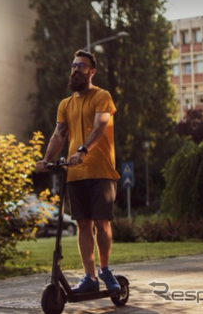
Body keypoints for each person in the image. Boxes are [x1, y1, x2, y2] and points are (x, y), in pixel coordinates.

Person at [35, 50, 121, 293]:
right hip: (75, 174)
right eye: (74, 65)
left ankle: (105, 269)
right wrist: (46, 159)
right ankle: (90, 276)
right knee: (83, 224)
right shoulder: (65, 103)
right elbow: (59, 134)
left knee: (102, 223)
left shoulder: (102, 96)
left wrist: (83, 150)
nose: (76, 69)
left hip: (101, 170)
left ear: (91, 72)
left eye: (82, 66)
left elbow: (100, 126)